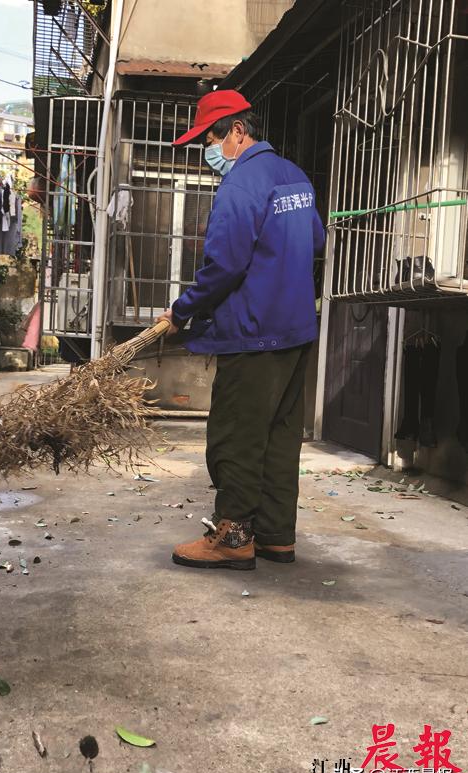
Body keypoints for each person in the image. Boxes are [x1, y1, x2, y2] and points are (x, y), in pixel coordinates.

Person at [158, 89, 325, 571]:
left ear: (236, 130)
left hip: (254, 332)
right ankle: (275, 536)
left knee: (236, 436)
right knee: (278, 436)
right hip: (296, 331)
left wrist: (183, 309)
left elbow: (224, 265)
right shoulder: (293, 176)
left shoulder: (241, 185)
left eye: (210, 138)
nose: (208, 152)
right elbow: (315, 239)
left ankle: (232, 538)